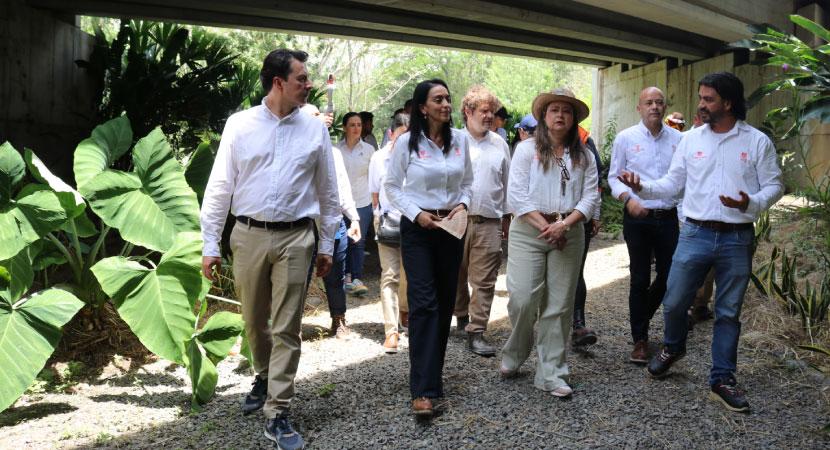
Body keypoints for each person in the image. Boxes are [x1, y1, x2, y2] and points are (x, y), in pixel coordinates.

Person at [618, 71, 784, 412]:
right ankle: (673, 346)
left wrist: (749, 204)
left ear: (728, 102)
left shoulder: (756, 142)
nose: (701, 104)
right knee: (675, 301)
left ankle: (722, 378)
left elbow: (774, 185)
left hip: (737, 237)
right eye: (701, 98)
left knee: (727, 311)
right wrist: (641, 187)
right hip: (694, 233)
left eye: (708, 99)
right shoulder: (690, 140)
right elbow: (671, 184)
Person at [200, 49, 339, 450]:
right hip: (248, 234)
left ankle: (278, 411)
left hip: (298, 236)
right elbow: (220, 187)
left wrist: (327, 242)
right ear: (278, 82)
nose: (308, 84)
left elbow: (327, 191)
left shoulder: (314, 129)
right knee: (254, 320)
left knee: (286, 327)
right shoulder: (240, 125)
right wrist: (210, 243)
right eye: (301, 78)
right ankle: (263, 375)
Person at [500, 87, 599, 398]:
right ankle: (517, 350)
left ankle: (551, 373)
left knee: (559, 305)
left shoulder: (583, 155)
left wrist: (564, 226)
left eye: (566, 111)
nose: (560, 115)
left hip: (568, 232)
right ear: (544, 115)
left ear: (573, 119)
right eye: (554, 109)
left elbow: (591, 195)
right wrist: (547, 227)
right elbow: (516, 194)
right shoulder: (526, 150)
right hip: (530, 229)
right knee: (523, 298)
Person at [384, 79, 473, 416]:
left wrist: (463, 204)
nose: (446, 104)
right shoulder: (407, 143)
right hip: (419, 228)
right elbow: (392, 186)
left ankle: (432, 378)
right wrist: (417, 214)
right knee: (424, 305)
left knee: (446, 301)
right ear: (423, 107)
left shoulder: (460, 141)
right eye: (438, 99)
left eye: (448, 98)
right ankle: (421, 390)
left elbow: (468, 182)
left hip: (452, 228)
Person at [607, 87, 683, 364]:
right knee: (639, 278)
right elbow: (614, 178)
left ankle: (642, 314)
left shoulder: (678, 139)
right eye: (649, 102)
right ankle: (640, 339)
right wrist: (628, 199)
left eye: (659, 102)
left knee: (670, 276)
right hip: (637, 217)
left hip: (667, 216)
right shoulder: (625, 138)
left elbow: (683, 179)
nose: (654, 107)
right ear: (639, 108)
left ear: (665, 107)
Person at [452, 85, 511, 357]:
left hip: (489, 222)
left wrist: (508, 218)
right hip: (454, 220)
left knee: (484, 281)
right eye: (484, 111)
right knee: (455, 275)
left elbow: (508, 184)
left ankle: (476, 331)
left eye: (492, 111)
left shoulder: (500, 144)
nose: (489, 116)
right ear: (468, 111)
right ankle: (461, 318)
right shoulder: (452, 141)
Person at [368, 111, 411, 353]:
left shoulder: (417, 157)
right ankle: (390, 331)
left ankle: (405, 312)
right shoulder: (378, 158)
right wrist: (378, 216)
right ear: (391, 133)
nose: (403, 143)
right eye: (400, 137)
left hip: (412, 222)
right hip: (386, 222)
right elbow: (374, 192)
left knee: (409, 274)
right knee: (390, 275)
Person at [336, 112, 374, 297]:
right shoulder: (336, 150)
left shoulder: (368, 150)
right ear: (344, 127)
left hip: (362, 201)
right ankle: (344, 278)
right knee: (342, 241)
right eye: (352, 125)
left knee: (358, 241)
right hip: (341, 202)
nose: (356, 128)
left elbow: (374, 178)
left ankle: (356, 278)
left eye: (359, 124)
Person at [571, 125, 602, 348]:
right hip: (543, 221)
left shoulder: (586, 143)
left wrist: (596, 214)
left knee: (577, 270)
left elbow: (595, 184)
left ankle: (578, 324)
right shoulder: (538, 140)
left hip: (580, 219)